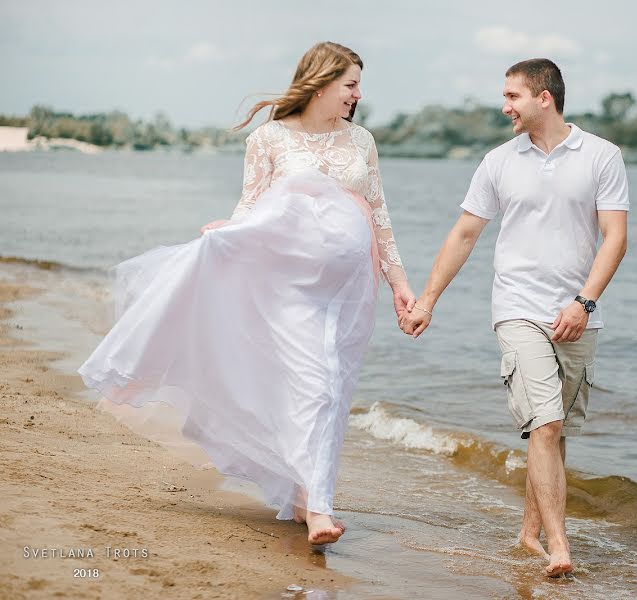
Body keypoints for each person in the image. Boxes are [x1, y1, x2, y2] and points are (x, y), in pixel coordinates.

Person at [78, 42, 415, 545]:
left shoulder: (361, 140)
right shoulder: (270, 138)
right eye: (350, 85)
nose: (357, 95)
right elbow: (253, 204)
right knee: (310, 384)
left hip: (348, 289)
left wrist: (400, 285)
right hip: (285, 286)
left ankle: (305, 499)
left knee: (333, 390)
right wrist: (228, 234)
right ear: (321, 83)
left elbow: (380, 214)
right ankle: (320, 508)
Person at [400, 58, 629, 576]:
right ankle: (560, 547)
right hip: (517, 308)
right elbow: (464, 234)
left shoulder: (601, 156)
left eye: (513, 96)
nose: (505, 107)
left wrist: (583, 303)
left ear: (543, 97)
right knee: (544, 422)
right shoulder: (499, 161)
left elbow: (614, 237)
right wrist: (428, 300)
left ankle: (529, 533)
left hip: (578, 314)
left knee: (555, 430)